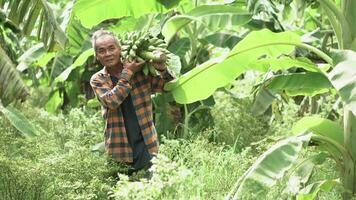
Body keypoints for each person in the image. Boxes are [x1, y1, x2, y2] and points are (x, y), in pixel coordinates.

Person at [90, 30, 175, 175]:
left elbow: (167, 87)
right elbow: (112, 101)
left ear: (120, 49)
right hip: (119, 147)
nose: (108, 54)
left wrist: (162, 69)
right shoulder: (98, 79)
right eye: (102, 51)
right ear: (97, 56)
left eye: (111, 48)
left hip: (147, 143)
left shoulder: (141, 71)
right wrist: (128, 73)